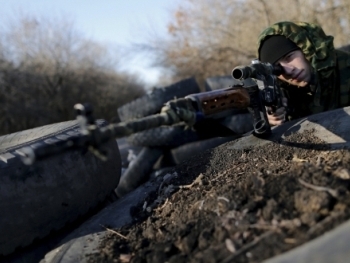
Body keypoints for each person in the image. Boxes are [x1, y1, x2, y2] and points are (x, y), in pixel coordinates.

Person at [256, 21, 350, 126]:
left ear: (305, 50)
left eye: (289, 57)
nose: (288, 70)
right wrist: (270, 120)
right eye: (278, 68)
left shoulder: (345, 66)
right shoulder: (281, 90)